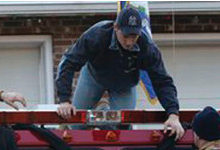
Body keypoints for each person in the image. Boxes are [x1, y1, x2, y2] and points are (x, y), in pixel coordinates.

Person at [55, 7, 184, 138]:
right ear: (116, 27)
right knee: (76, 123)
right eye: (126, 36)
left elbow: (162, 81)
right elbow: (68, 62)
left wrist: (173, 114)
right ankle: (97, 114)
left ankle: (102, 113)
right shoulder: (96, 35)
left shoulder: (147, 47)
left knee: (122, 125)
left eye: (134, 37)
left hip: (124, 84)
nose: (129, 42)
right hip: (93, 77)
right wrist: (64, 100)